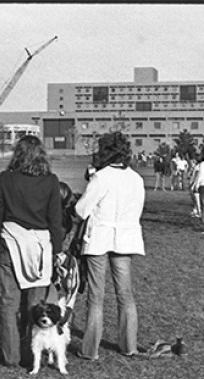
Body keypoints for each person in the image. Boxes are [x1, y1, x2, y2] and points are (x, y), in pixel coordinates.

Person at [0, 135, 64, 368]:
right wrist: (58, 249)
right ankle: (30, 350)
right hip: (40, 247)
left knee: (9, 303)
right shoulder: (51, 181)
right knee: (35, 304)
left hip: (10, 243)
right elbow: (55, 220)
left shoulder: (6, 178)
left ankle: (11, 355)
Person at [74, 131, 145, 360]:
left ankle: (90, 349)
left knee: (96, 296)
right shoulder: (136, 178)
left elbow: (81, 210)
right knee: (125, 294)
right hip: (125, 236)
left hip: (100, 238)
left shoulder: (101, 177)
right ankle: (129, 345)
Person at [188, 154, 202, 218]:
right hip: (195, 184)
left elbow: (196, 176)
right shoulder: (196, 167)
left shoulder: (198, 167)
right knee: (194, 198)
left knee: (196, 198)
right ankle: (195, 210)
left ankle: (199, 211)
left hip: (196, 184)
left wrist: (193, 184)